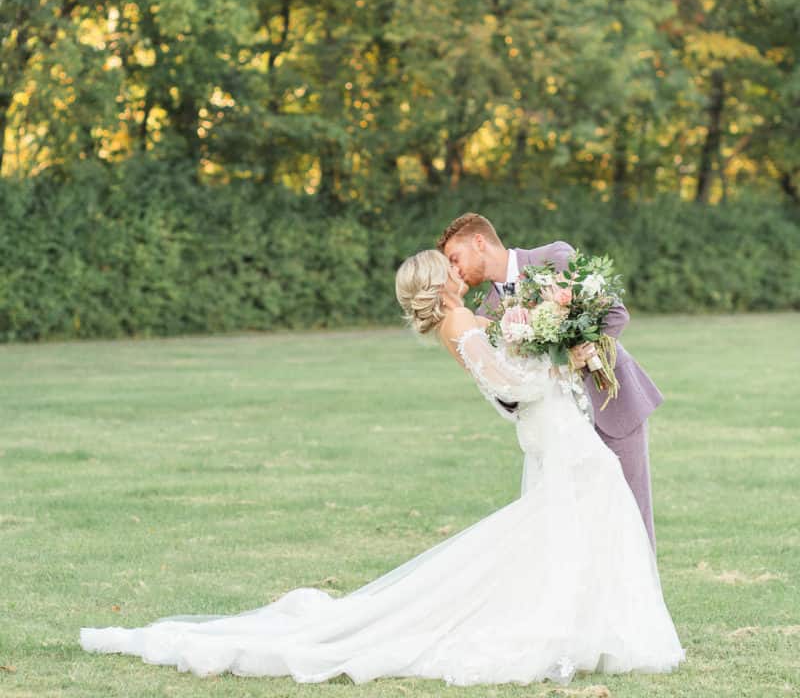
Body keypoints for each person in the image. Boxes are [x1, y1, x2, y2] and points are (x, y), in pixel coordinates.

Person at [80, 251, 684, 686]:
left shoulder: (470, 318)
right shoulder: (457, 324)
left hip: (557, 425)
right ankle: (578, 632)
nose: (459, 271)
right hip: (550, 423)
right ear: (439, 285)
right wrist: (545, 357)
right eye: (449, 269)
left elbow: (513, 371)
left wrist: (551, 347)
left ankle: (591, 629)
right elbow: (507, 385)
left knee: (577, 520)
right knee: (572, 516)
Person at [438, 212, 663, 546]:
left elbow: (616, 315)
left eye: (455, 259)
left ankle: (645, 599)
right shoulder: (485, 314)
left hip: (610, 402)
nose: (455, 271)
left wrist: (571, 350)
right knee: (578, 527)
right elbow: (508, 388)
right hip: (560, 426)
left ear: (480, 242)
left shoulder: (554, 258)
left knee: (631, 515)